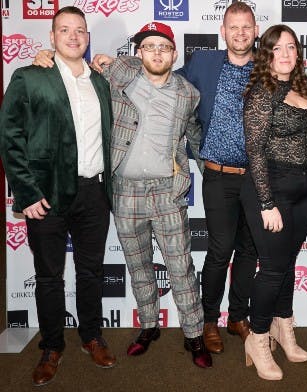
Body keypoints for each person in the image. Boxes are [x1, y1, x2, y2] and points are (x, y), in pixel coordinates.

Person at [33, 22, 212, 368]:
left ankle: (193, 334)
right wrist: (45, 56)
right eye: (149, 47)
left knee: (181, 267)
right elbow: (73, 66)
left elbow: (195, 137)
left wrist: (213, 179)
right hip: (124, 191)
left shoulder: (189, 93)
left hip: (167, 193)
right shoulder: (118, 76)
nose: (157, 53)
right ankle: (148, 326)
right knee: (138, 264)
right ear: (138, 53)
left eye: (163, 47)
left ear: (174, 54)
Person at [0, 6, 116, 387]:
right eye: (64, 30)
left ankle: (91, 336)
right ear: (51, 38)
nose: (73, 36)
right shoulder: (31, 76)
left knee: (91, 271)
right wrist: (26, 191)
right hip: (46, 195)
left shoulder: (101, 80)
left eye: (79, 30)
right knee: (49, 276)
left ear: (87, 37)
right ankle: (52, 345)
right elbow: (10, 136)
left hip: (93, 192)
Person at [175, 1, 259, 353]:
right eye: (233, 27)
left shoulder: (269, 68)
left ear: (255, 31)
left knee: (250, 250)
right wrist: (115, 63)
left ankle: (238, 316)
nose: (240, 33)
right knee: (220, 249)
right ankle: (209, 319)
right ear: (222, 32)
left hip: (258, 179)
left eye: (246, 27)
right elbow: (160, 77)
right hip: (217, 176)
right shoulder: (203, 63)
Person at [240, 24, 307, 381]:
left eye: (291, 47)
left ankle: (283, 327)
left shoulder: (299, 87)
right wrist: (266, 202)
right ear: (265, 55)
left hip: (303, 189)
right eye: (277, 48)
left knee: (287, 264)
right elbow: (254, 150)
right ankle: (257, 339)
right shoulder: (262, 91)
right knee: (272, 267)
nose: (286, 54)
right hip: (271, 188)